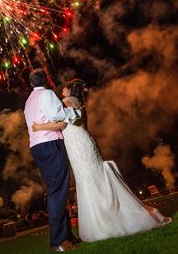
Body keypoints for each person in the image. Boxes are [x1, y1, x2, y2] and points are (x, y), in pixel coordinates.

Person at [32, 79, 172, 242]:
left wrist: (38, 127)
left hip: (79, 148)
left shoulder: (67, 102)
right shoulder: (79, 103)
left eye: (66, 87)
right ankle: (109, 216)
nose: (63, 88)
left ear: (70, 91)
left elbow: (59, 123)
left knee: (89, 182)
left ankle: (104, 222)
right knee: (95, 180)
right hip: (85, 144)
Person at [24, 69, 81, 252]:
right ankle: (57, 242)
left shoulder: (29, 100)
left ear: (31, 83)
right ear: (45, 81)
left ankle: (66, 236)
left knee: (56, 191)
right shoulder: (47, 94)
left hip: (37, 147)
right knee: (58, 191)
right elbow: (56, 114)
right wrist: (73, 113)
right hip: (50, 144)